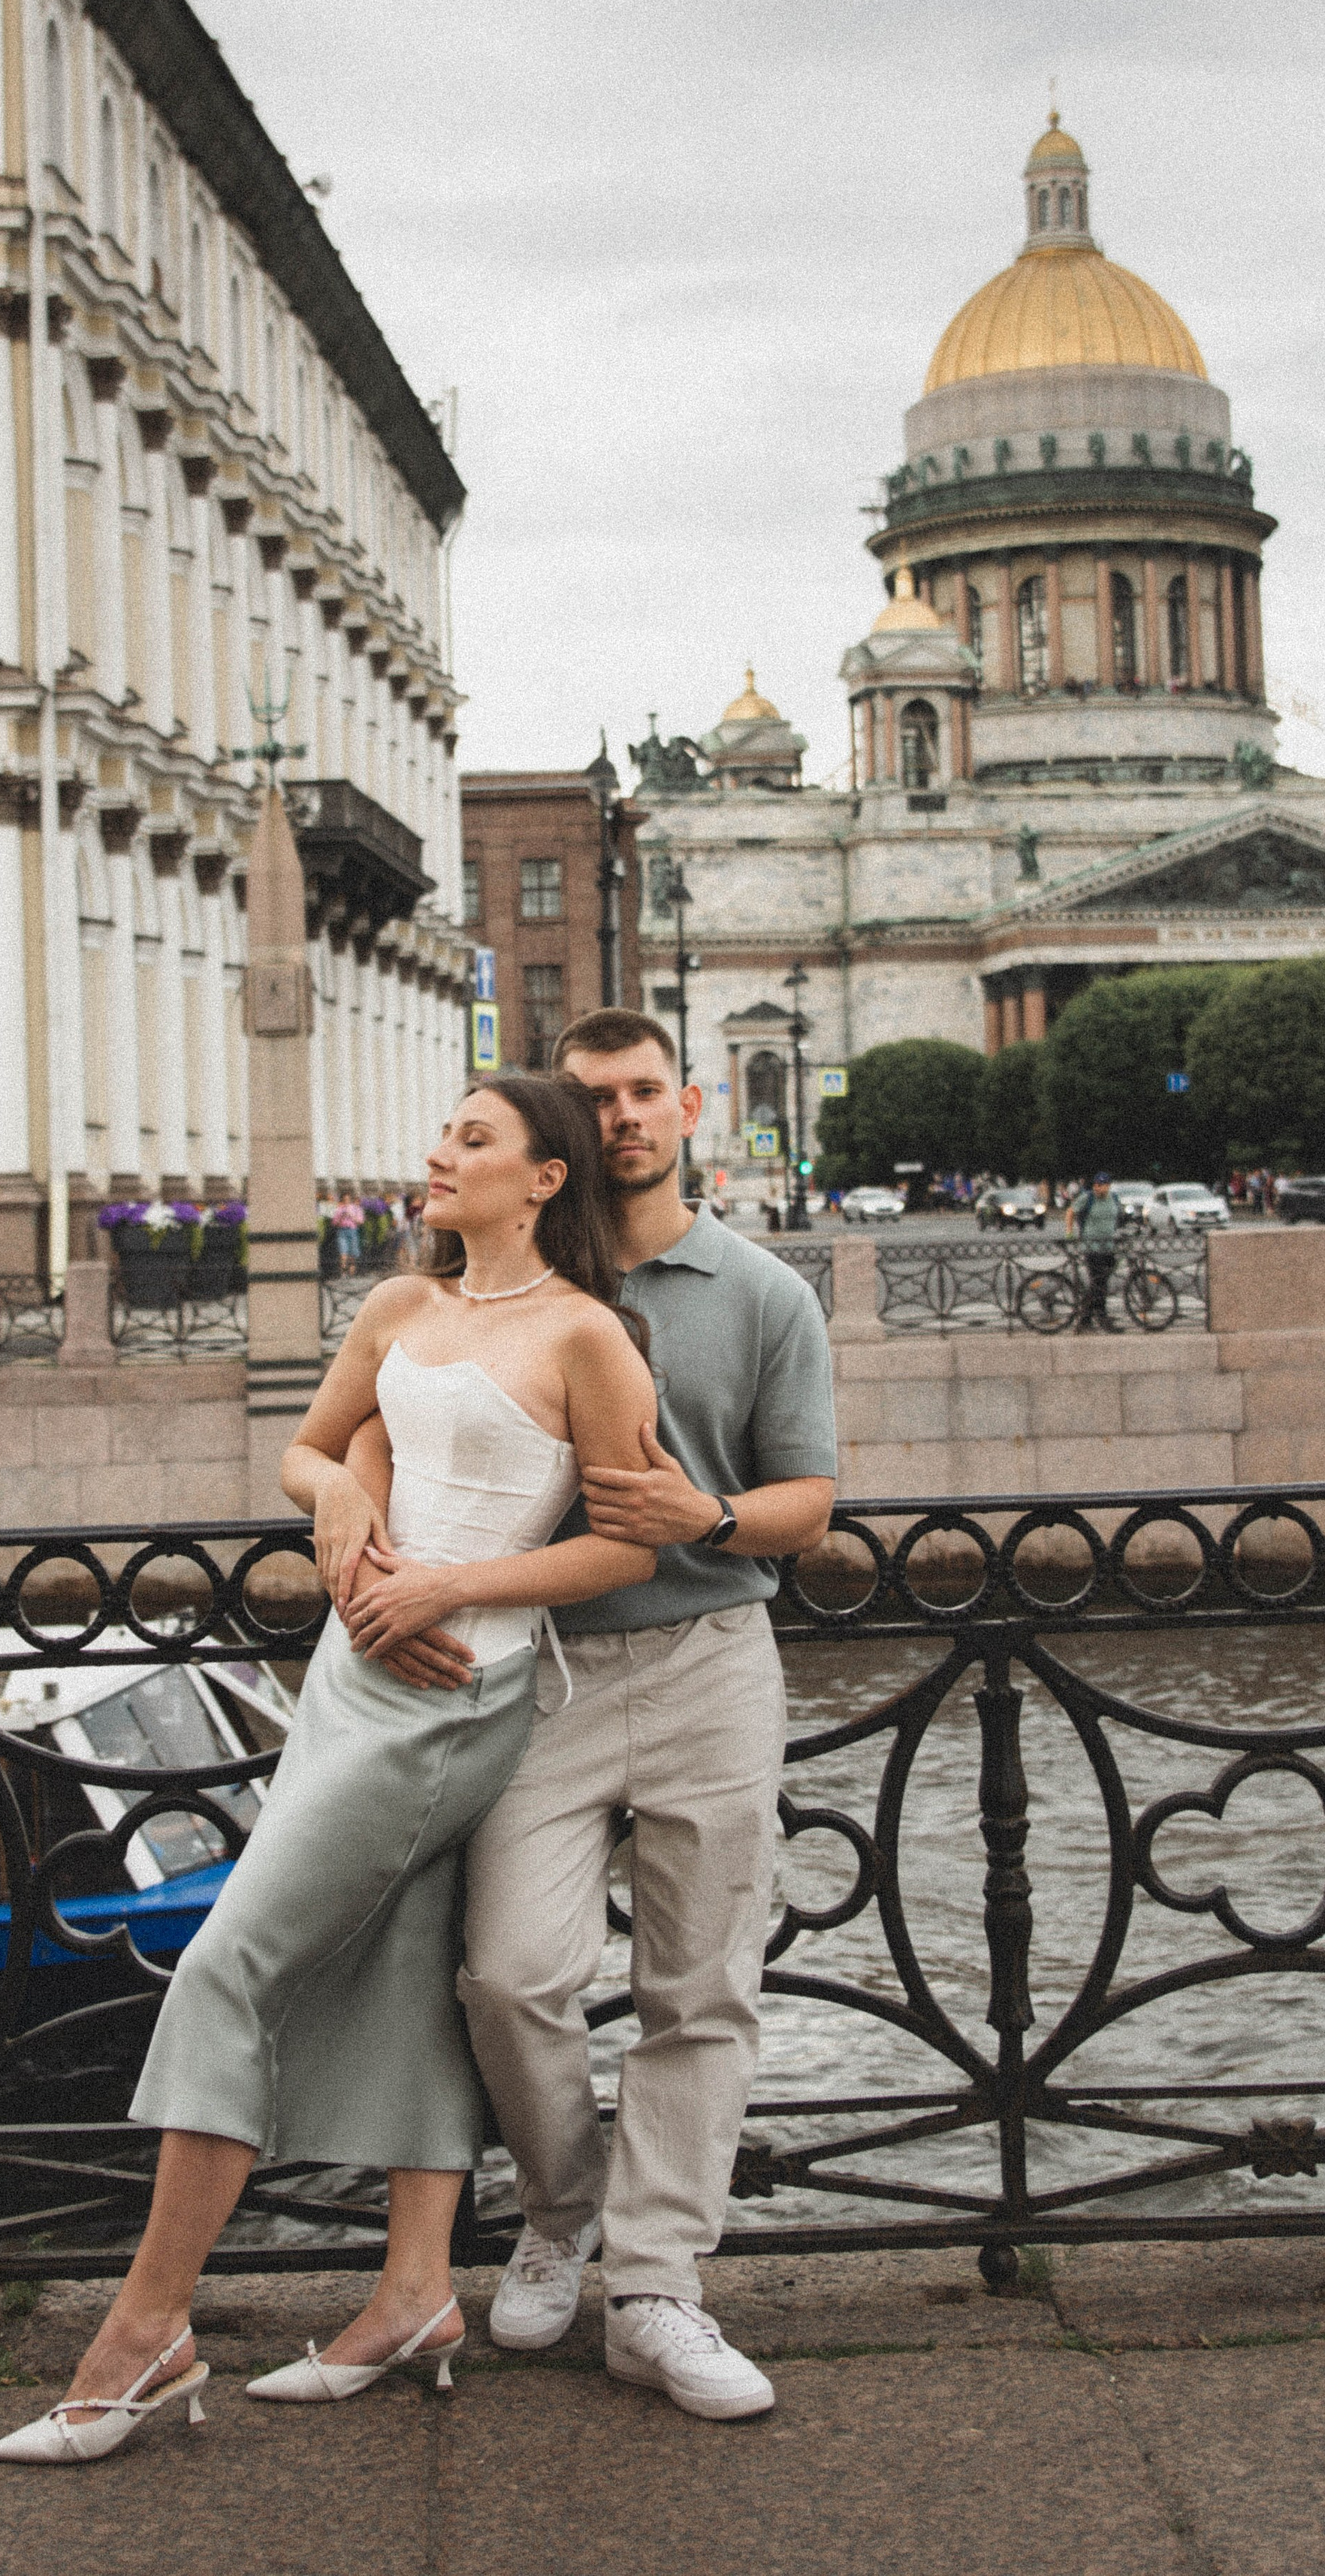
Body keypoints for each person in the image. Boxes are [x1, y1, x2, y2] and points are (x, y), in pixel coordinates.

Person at [0, 1072, 658, 2466]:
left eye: (475, 1139)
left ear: (546, 1177)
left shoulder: (589, 1335)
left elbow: (629, 1546)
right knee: (414, 1958)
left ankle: (146, 2332)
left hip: (455, 1691)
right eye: (444, 1132)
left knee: (231, 1960)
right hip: (353, 1672)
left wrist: (449, 1585)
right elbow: (306, 1447)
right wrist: (342, 1493)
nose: (439, 1152)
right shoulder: (399, 1307)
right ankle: (415, 2298)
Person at [404, 1010, 838, 2423]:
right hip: (543, 1670)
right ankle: (560, 2208)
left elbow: (809, 1508)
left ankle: (659, 2288)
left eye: (647, 1092)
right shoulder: (517, 1284)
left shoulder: (764, 1293)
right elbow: (373, 1424)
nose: (626, 1118)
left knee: (697, 1987)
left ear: (693, 1106)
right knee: (511, 1978)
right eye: (594, 1098)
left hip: (712, 1656)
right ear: (557, 1133)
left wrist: (703, 1513)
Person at [1070, 1171, 1121, 1328]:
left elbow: (1117, 1217)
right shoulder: (1088, 1197)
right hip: (1092, 1246)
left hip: (1109, 1245)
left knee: (1101, 1282)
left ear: (1108, 1186)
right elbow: (1071, 1212)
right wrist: (1069, 1232)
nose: (1098, 1188)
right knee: (1098, 1281)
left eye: (1102, 1185)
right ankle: (1101, 1315)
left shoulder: (1114, 1198)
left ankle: (1086, 1317)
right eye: (1096, 1185)